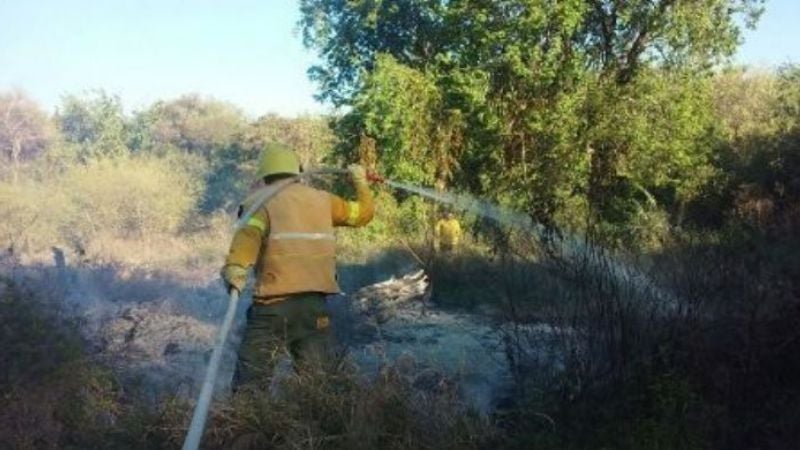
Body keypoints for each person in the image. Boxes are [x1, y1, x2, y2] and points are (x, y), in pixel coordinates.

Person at [220, 144, 374, 388]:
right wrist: (361, 183)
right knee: (317, 380)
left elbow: (247, 238)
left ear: (265, 175)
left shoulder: (259, 202)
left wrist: (236, 268)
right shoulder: (324, 200)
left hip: (273, 308)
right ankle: (316, 420)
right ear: (297, 171)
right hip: (314, 307)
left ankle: (248, 423)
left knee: (252, 379)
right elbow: (362, 214)